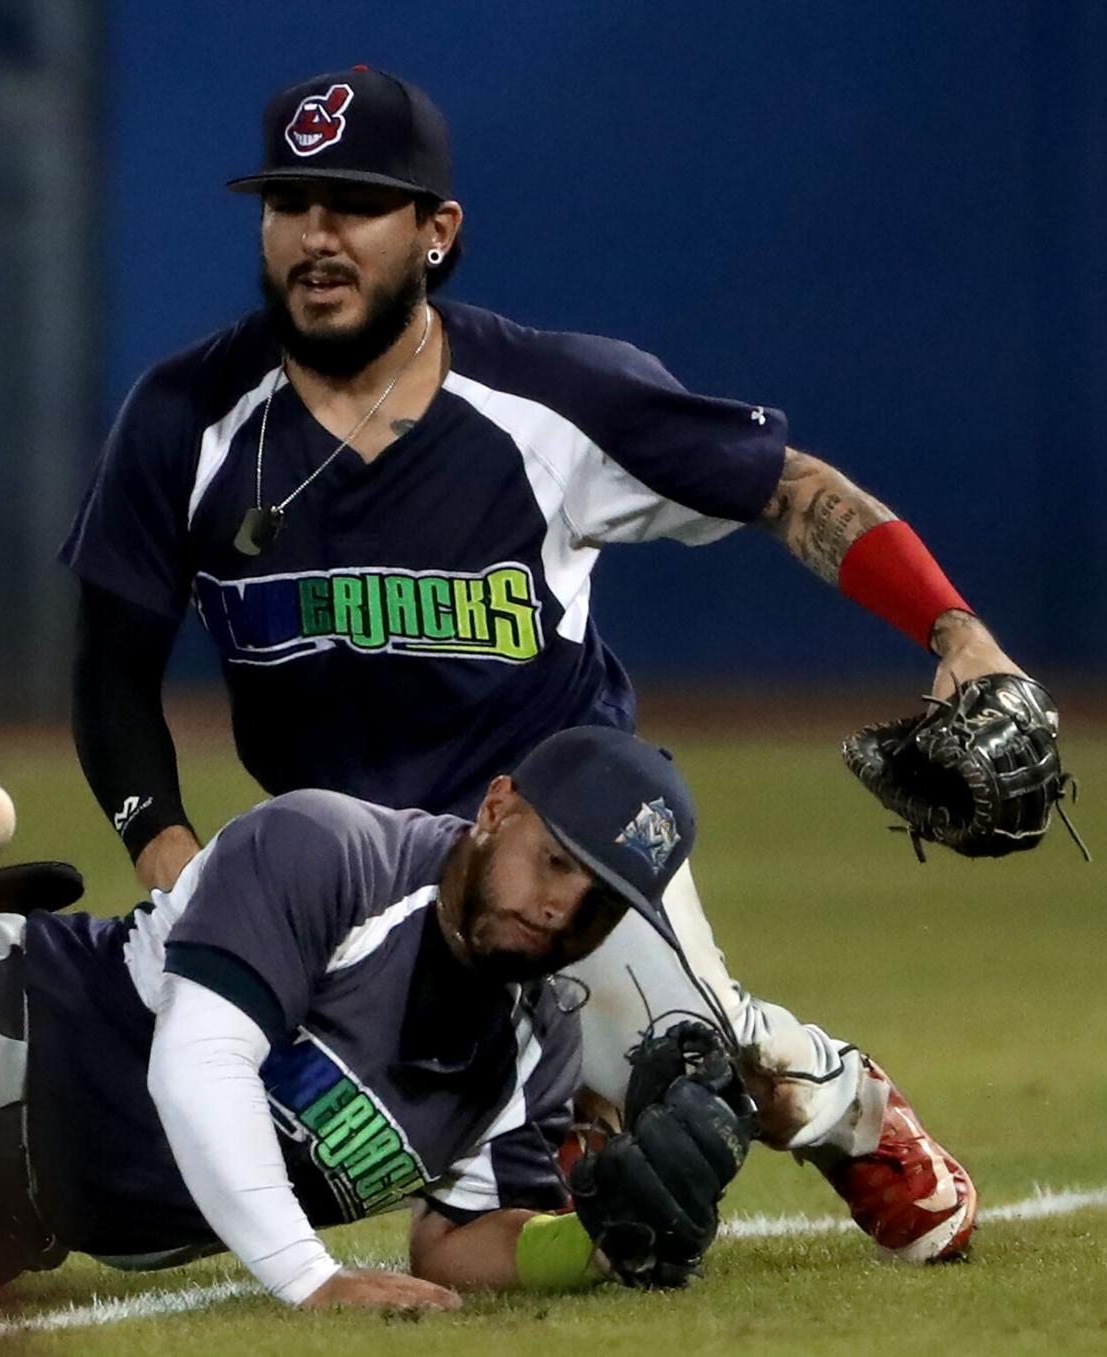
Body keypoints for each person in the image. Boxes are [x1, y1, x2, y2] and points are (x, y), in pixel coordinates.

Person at [61, 67, 1015, 1263]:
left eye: (357, 203)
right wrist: (180, 864)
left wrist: (956, 632)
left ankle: (838, 1101)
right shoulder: (186, 417)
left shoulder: (550, 399)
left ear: (436, 231)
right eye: (290, 203)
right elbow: (110, 668)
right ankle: (557, 1136)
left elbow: (789, 489)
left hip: (567, 848)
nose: (317, 234)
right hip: (357, 877)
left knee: (685, 1067)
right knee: (299, 1165)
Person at [0, 728, 710, 1310]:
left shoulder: (538, 1046)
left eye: (600, 902)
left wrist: (596, 1242)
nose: (560, 907)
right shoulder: (329, 850)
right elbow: (195, 1063)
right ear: (497, 807)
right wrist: (308, 1274)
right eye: (557, 859)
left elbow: (459, 1240)